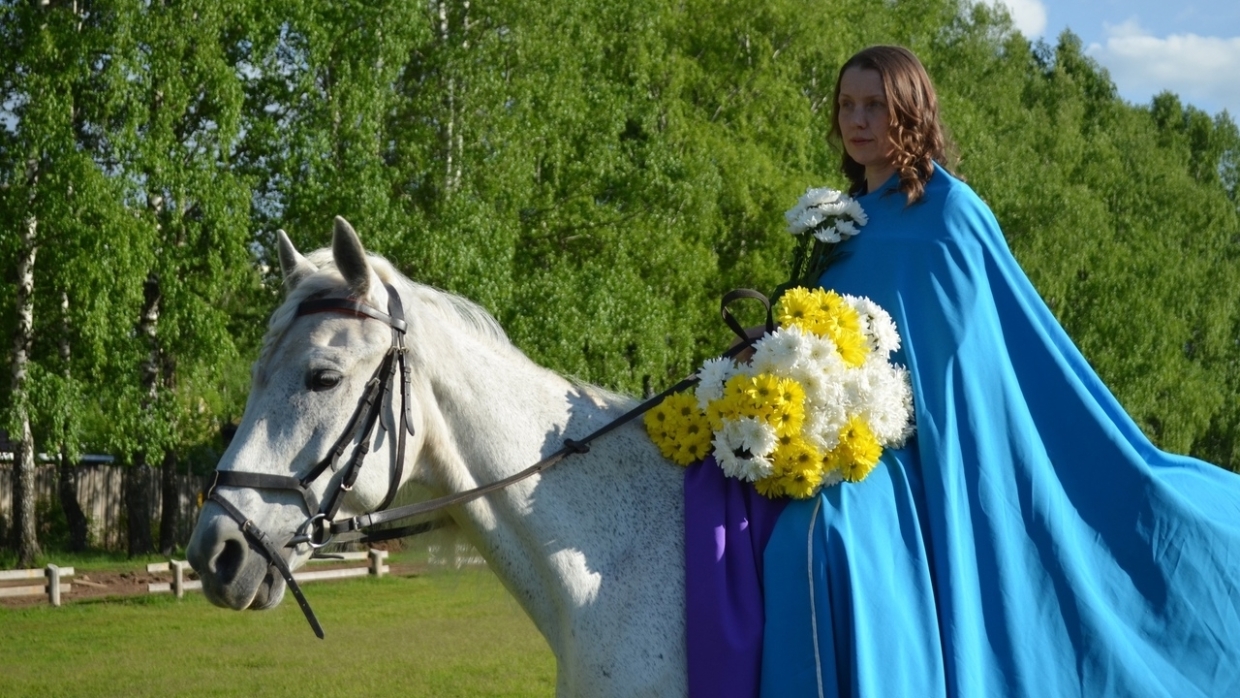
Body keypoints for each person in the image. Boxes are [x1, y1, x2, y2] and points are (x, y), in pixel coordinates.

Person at [683, 45, 1240, 697]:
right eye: (846, 106)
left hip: (915, 449)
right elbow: (831, 335)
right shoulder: (840, 224)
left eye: (875, 106)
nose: (857, 121)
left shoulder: (950, 216)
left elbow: (964, 373)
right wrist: (772, 348)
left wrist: (866, 419)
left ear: (911, 114)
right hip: (830, 435)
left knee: (817, 539)